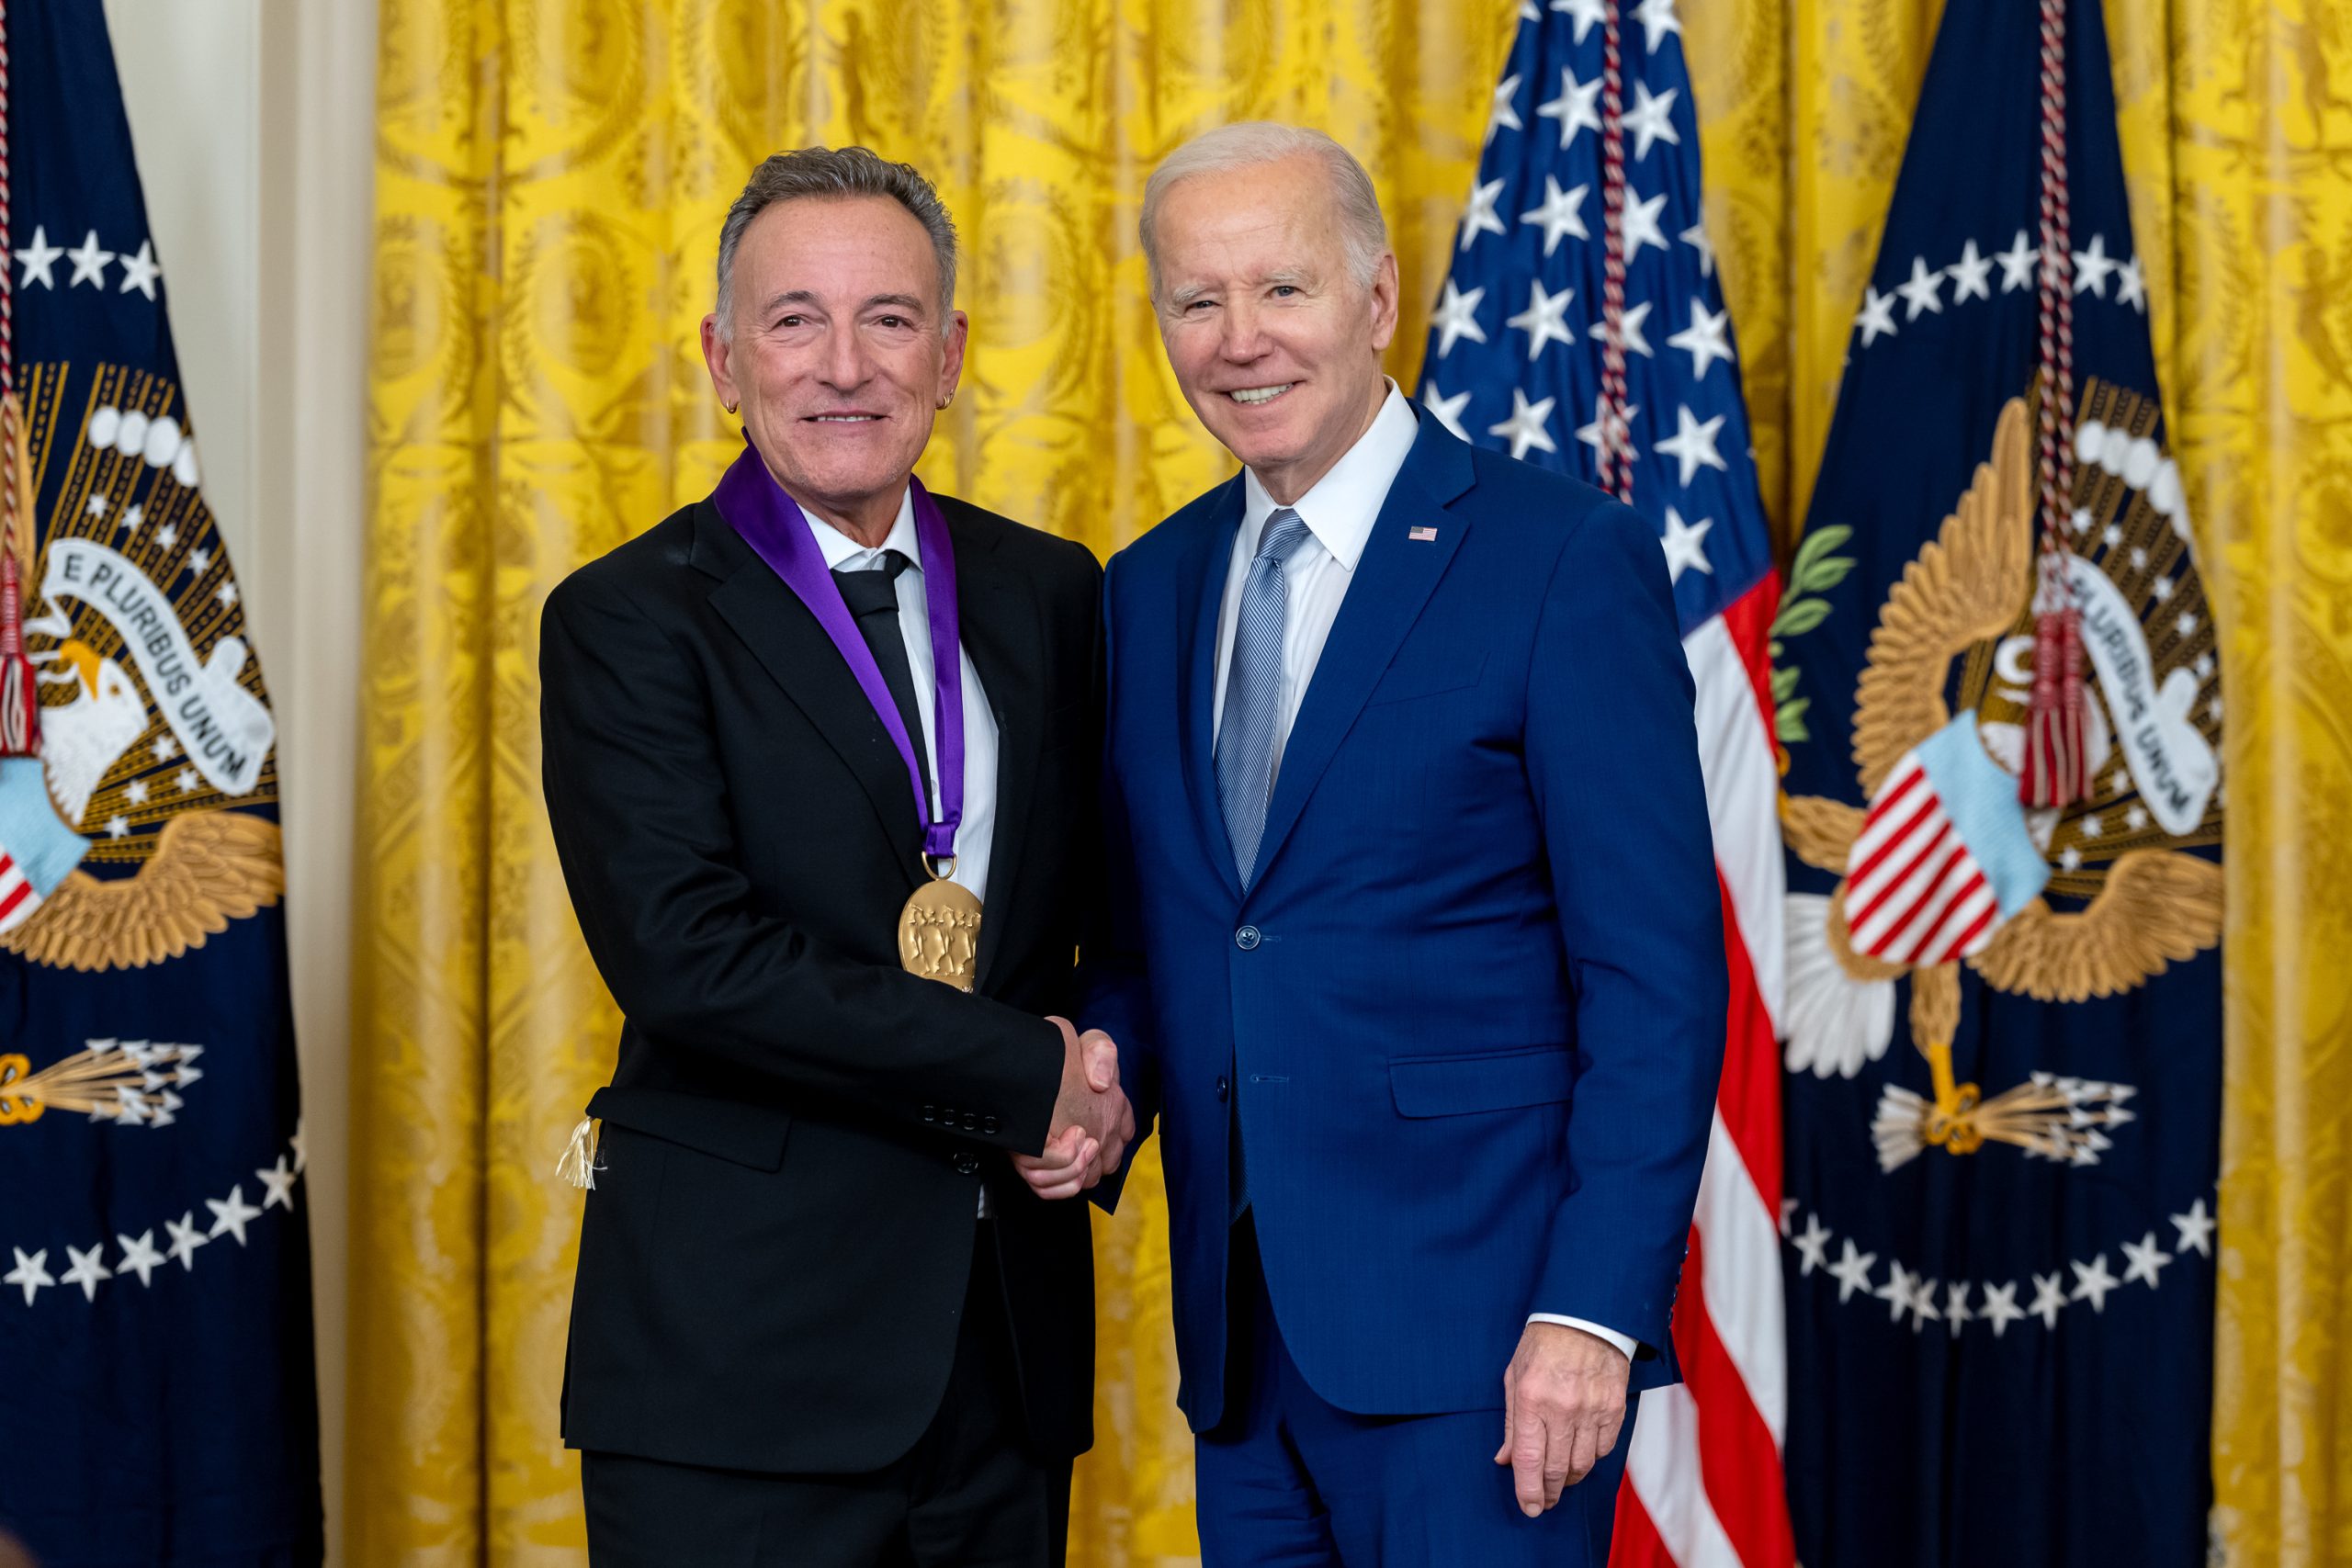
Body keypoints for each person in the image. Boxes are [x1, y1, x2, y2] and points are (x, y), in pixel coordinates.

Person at [1040, 122, 1727, 1564]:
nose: (1238, 343)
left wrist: (1592, 1312)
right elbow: (1154, 939)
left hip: (1491, 1354)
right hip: (1244, 1359)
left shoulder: (1558, 559)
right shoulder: (1146, 589)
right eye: (1195, 302)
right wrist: (1097, 1074)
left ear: (1377, 298)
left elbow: (1656, 979)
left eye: (1280, 290)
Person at [540, 145, 1133, 1568]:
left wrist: (1113, 1084)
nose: (845, 365)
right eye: (796, 318)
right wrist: (1027, 1074)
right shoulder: (628, 617)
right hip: (738, 1369)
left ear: (951, 352)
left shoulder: (1052, 591)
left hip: (1001, 1347)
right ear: (724, 360)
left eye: (890, 318)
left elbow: (1112, 904)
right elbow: (692, 959)